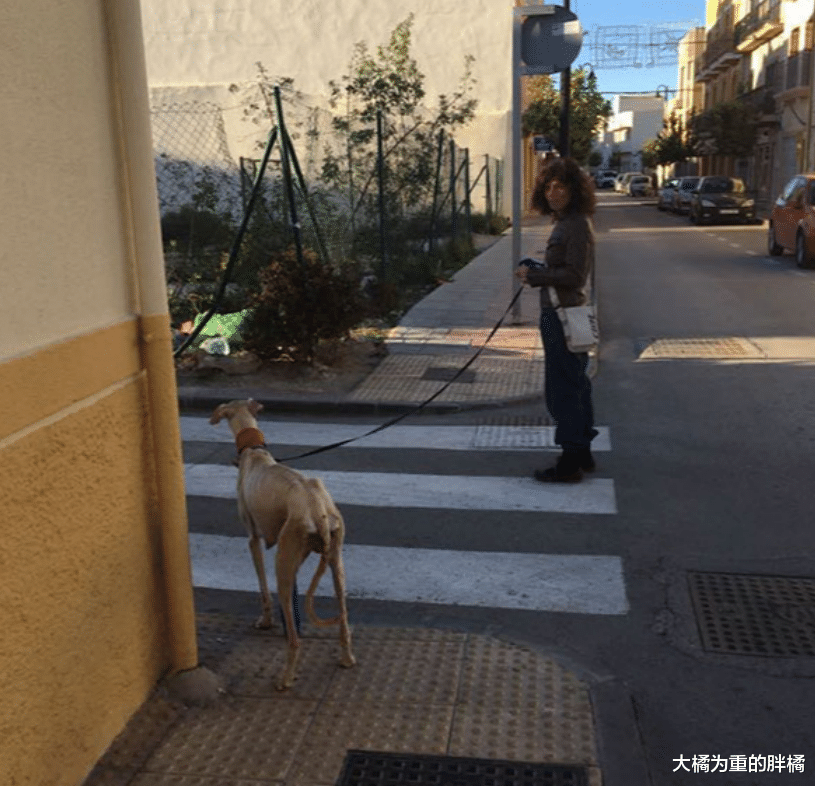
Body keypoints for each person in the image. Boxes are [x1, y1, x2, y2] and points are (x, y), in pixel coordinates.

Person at [516, 157, 599, 483]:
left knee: (563, 389)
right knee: (577, 384)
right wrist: (538, 268)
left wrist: (535, 275)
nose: (553, 192)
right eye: (548, 186)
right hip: (568, 312)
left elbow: (574, 275)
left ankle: (569, 461)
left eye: (560, 186)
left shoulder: (575, 225)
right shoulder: (569, 222)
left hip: (562, 315)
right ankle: (582, 451)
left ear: (574, 190)